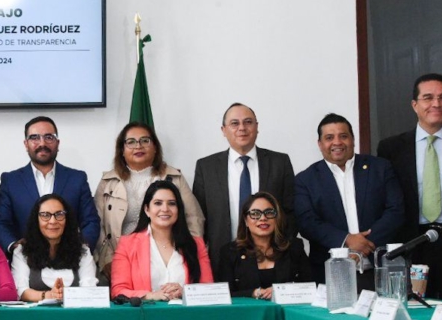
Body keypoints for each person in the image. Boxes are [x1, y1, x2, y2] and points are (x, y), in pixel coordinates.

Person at [378, 73, 442, 303]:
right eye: (428, 97)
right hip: (413, 243)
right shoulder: (391, 148)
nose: (436, 104)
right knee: (414, 309)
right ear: (415, 104)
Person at [295, 114, 404, 289]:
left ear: (353, 139)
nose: (337, 142)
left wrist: (364, 245)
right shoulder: (305, 180)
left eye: (343, 136)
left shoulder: (380, 168)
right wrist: (346, 240)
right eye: (329, 138)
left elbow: (395, 211)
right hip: (330, 276)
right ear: (320, 144)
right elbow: (307, 222)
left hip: (380, 271)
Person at [193, 103, 295, 281]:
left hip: (271, 261)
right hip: (222, 261)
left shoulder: (279, 162)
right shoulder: (206, 167)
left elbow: (291, 211)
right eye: (234, 123)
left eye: (248, 122)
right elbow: (199, 217)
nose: (242, 128)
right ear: (223, 130)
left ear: (257, 127)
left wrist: (281, 251)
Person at [94, 122, 204, 283]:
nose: (138, 146)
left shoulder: (174, 178)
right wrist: (107, 260)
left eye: (145, 140)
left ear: (155, 147)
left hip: (168, 261)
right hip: (119, 260)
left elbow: (194, 219)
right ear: (122, 150)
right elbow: (97, 224)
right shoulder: (108, 182)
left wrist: (189, 255)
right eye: (131, 142)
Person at [0, 116, 100, 255]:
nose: (42, 143)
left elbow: (91, 221)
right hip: (24, 260)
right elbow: (1, 223)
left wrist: (80, 250)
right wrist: (14, 247)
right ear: (26, 144)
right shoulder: (10, 181)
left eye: (49, 137)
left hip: (70, 259)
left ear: (57, 143)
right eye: (34, 138)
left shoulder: (77, 179)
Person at [110, 181, 213, 300]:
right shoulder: (127, 244)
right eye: (158, 203)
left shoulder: (196, 244)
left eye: (172, 203)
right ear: (147, 209)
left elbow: (209, 290)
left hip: (185, 311)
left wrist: (185, 293)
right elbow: (118, 291)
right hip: (147, 311)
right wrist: (151, 296)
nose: (165, 209)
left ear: (178, 209)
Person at [219, 192, 311, 298]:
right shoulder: (230, 252)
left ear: (276, 218)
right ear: (245, 221)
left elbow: (309, 287)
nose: (263, 218)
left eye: (269, 213)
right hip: (249, 309)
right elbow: (225, 295)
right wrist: (254, 293)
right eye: (255, 214)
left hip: (286, 308)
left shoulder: (294, 247)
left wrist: (281, 291)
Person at [12, 194, 97, 301]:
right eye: (45, 215)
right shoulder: (22, 251)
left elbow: (90, 289)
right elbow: (20, 291)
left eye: (59, 214)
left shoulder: (82, 250)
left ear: (67, 219)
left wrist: (66, 294)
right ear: (36, 220)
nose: (52, 221)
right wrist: (49, 295)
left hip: (75, 311)